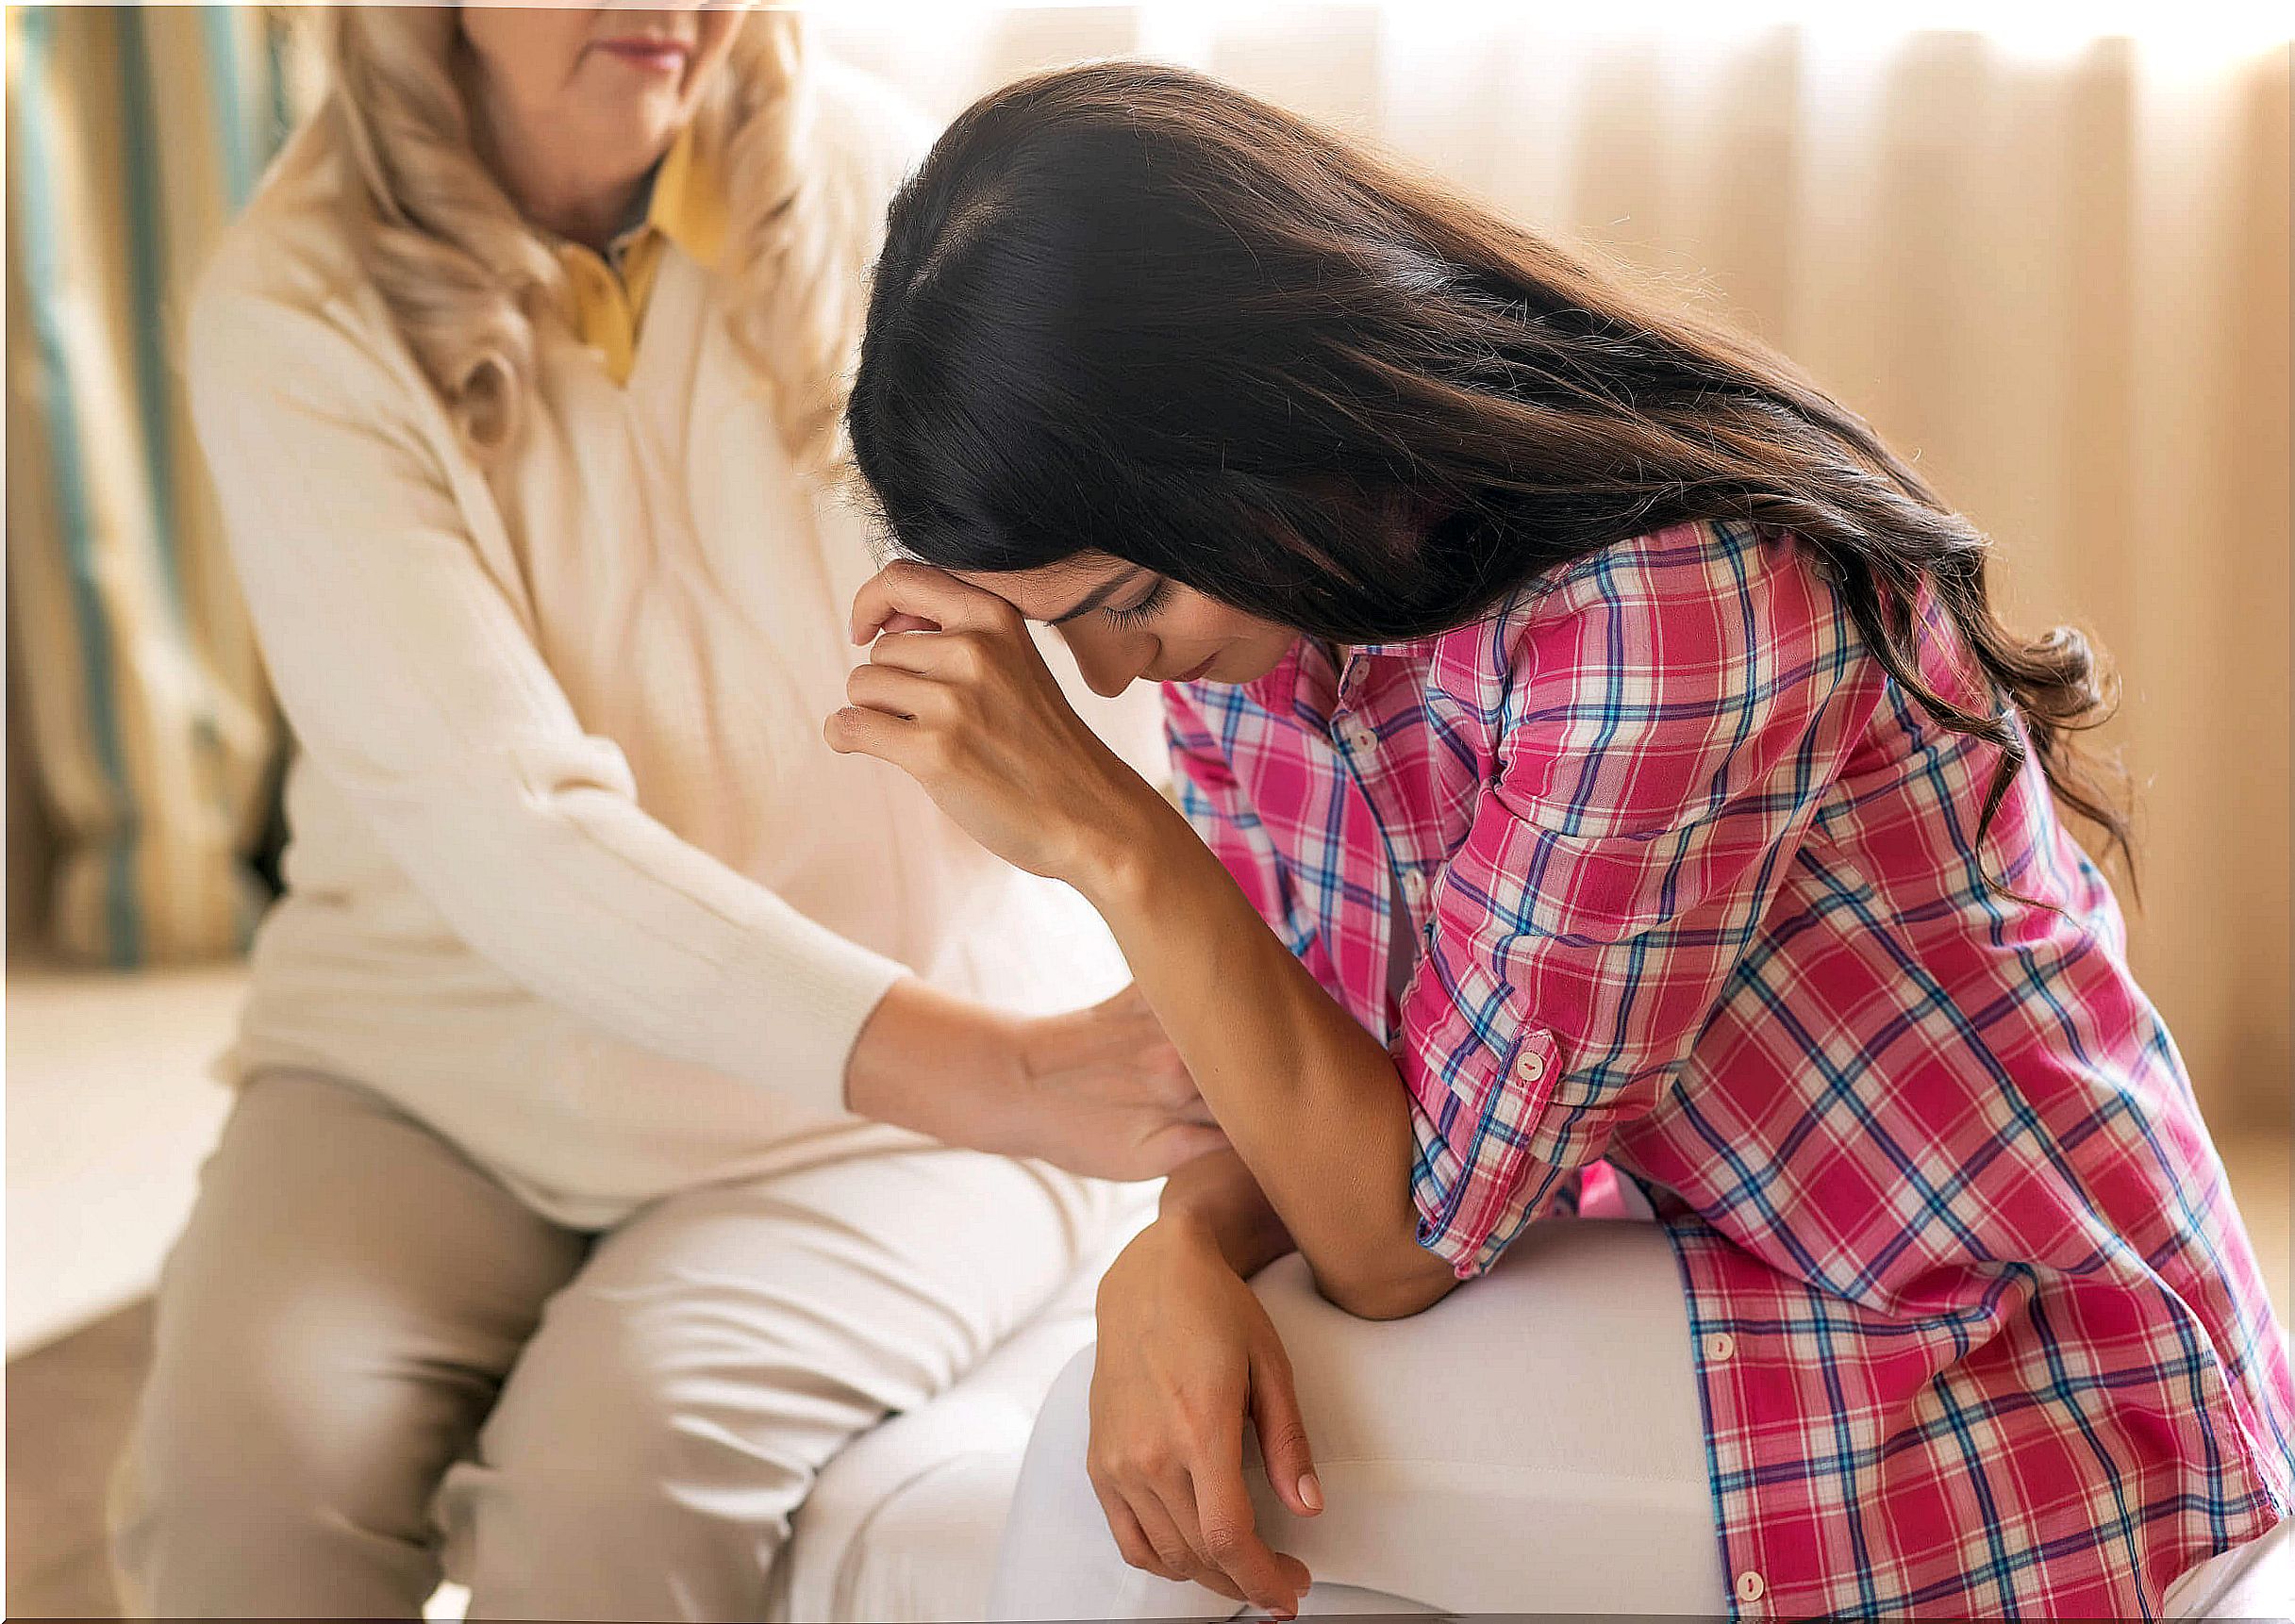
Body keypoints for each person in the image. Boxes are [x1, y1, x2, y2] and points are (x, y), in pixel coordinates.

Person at [829, 60, 2295, 1620]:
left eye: (1122, 606)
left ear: (1247, 427)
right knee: (1198, 1459)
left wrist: (1109, 840)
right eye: (1070, 630)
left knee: (1127, 1466)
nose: (1113, 678)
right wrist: (1176, 1247)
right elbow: (1302, 1074)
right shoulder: (1264, 609)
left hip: (2006, 1357)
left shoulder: (1669, 606)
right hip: (1698, 1263)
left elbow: (1404, 1231)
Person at [109, 16, 1215, 1620]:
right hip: (431, 1072)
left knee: (606, 1502)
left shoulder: (900, 193)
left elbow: (1124, 646)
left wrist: (1090, 1030)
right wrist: (1022, 1077)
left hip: (890, 1092)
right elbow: (509, 829)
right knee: (247, 1493)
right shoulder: (292, 305)